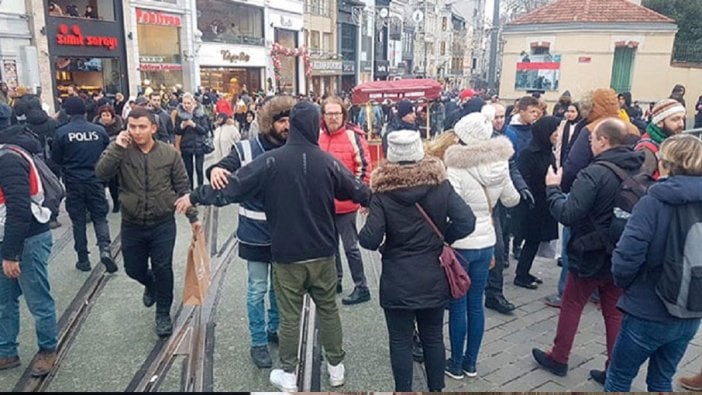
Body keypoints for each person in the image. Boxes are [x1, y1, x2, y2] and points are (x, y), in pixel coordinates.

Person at [175, 101, 371, 392]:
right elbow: (360, 191)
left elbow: (232, 188)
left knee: (290, 316)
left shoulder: (271, 162)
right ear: (316, 125)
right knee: (328, 310)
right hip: (323, 254)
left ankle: (288, 375)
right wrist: (380, 204)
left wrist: (196, 196)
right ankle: (335, 368)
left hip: (287, 255)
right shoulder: (328, 162)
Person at [358, 130, 476, 391]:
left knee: (400, 341)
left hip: (398, 278)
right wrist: (443, 237)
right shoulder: (440, 184)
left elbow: (369, 239)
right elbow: (467, 221)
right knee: (433, 337)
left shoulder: (382, 192)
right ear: (419, 151)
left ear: (391, 154)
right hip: (433, 273)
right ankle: (436, 389)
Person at [532, 118, 643, 383]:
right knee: (614, 312)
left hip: (588, 252)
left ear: (604, 140)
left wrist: (552, 189)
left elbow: (568, 213)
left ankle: (559, 357)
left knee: (571, 304)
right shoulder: (639, 169)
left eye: (592, 139)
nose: (589, 144)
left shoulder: (593, 173)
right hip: (619, 253)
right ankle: (613, 368)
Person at [605, 134, 702, 391]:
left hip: (648, 306)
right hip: (692, 308)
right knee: (661, 379)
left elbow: (627, 255)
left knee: (619, 377)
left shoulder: (654, 202)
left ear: (667, 164)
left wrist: (625, 285)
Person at [205, 94, 295, 369]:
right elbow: (223, 167)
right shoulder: (246, 148)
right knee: (257, 289)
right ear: (269, 123)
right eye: (281, 120)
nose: (287, 126)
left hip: (284, 233)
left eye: (290, 120)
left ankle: (273, 329)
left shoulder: (294, 148)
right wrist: (214, 170)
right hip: (254, 232)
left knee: (278, 289)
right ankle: (258, 342)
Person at [95, 107, 200, 337]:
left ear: (153, 128)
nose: (137, 131)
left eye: (142, 126)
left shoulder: (169, 153)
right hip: (132, 223)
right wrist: (117, 147)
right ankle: (149, 282)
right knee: (133, 269)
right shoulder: (120, 149)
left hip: (162, 223)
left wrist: (193, 217)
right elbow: (101, 174)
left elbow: (183, 187)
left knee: (163, 267)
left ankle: (163, 313)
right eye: (132, 126)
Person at [444, 112, 521, 379]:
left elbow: (448, 208)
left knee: (458, 304)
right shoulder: (500, 164)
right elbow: (512, 200)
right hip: (488, 241)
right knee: (476, 303)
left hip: (461, 244)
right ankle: (471, 363)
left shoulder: (454, 167)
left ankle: (454, 364)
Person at [0, 117, 58, 377]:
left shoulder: (9, 159)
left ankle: (48, 349)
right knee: (3, 301)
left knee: (37, 299)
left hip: (26, 239)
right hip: (7, 239)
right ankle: (6, 351)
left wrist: (11, 253)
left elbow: (19, 208)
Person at [51, 96, 116, 273]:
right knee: (100, 217)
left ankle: (83, 259)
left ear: (67, 112)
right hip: (96, 180)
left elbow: (55, 159)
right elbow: (107, 154)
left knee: (78, 222)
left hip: (74, 182)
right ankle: (105, 249)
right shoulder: (99, 130)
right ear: (86, 112)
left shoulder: (62, 132)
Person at [319, 96, 372, 304]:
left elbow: (365, 168)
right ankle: (336, 280)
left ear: (343, 115)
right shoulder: (318, 137)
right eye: (329, 113)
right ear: (323, 116)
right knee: (330, 247)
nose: (332, 117)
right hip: (324, 204)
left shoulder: (353, 136)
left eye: (336, 113)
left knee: (351, 247)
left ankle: (362, 286)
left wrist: (358, 194)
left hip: (347, 205)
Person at [482, 103, 528, 314]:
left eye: (502, 117)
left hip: (496, 204)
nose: (500, 121)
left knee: (498, 249)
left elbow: (512, 167)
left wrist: (522, 187)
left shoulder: (504, 140)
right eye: (496, 117)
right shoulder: (477, 140)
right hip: (477, 204)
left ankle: (494, 293)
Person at [513, 116, 561, 289]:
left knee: (535, 240)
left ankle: (524, 271)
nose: (557, 134)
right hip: (533, 204)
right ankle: (521, 275)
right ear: (544, 132)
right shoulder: (529, 153)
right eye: (554, 130)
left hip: (544, 202)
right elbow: (523, 178)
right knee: (531, 239)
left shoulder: (548, 151)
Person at [635, 98, 686, 180]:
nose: (681, 124)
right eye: (675, 119)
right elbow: (640, 183)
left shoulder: (672, 144)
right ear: (659, 122)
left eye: (682, 119)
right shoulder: (646, 149)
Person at [174, 92, 210, 189]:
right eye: (184, 103)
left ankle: (200, 190)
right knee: (188, 170)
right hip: (186, 145)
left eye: (188, 103)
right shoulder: (179, 115)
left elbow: (205, 130)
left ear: (193, 103)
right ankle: (190, 192)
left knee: (199, 169)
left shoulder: (200, 113)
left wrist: (194, 125)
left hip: (199, 145)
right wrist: (182, 126)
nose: (186, 105)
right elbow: (176, 131)